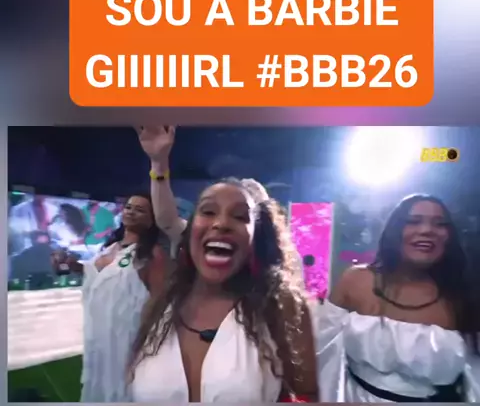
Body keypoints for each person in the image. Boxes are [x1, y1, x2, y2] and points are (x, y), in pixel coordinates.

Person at [136, 127, 317, 402]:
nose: (221, 223)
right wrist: (158, 163)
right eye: (208, 211)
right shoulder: (160, 308)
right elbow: (166, 219)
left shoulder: (282, 308)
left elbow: (305, 393)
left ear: (258, 237)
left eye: (241, 215)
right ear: (191, 230)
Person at [315, 194, 480, 402]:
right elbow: (324, 356)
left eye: (440, 224)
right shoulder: (355, 280)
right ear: (394, 230)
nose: (427, 230)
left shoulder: (464, 296)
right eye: (413, 221)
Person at [52, 194, 172, 402]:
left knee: (125, 390)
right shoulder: (109, 249)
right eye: (129, 207)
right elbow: (96, 275)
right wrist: (69, 265)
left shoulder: (152, 254)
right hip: (99, 339)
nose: (131, 212)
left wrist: (146, 345)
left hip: (128, 342)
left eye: (140, 210)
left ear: (152, 220)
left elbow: (161, 302)